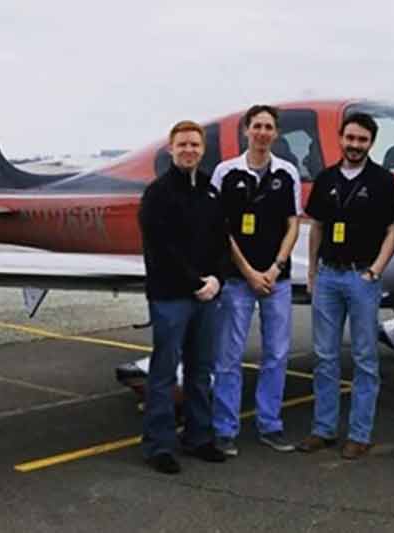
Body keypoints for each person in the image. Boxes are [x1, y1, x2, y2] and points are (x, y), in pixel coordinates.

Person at [297, 112, 394, 460]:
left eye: (363, 140)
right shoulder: (326, 179)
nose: (355, 145)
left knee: (365, 358)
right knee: (324, 357)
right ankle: (322, 429)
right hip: (328, 276)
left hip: (361, 278)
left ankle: (360, 433)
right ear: (341, 138)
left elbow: (393, 230)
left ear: (371, 143)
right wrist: (313, 271)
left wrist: (375, 270)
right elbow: (317, 228)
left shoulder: (384, 181)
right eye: (350, 138)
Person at [210, 105, 301, 455]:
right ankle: (225, 428)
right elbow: (222, 228)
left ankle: (270, 424)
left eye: (269, 127)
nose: (263, 133)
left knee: (276, 354)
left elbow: (293, 223)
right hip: (237, 279)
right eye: (257, 126)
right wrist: (247, 271)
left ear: (276, 134)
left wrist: (276, 268)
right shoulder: (225, 173)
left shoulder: (287, 172)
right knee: (229, 356)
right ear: (247, 130)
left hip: (276, 280)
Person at [139, 120, 228, 474]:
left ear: (203, 150)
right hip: (170, 296)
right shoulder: (157, 194)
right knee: (163, 372)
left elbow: (223, 240)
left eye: (195, 145)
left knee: (201, 369)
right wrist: (196, 282)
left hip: (207, 295)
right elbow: (161, 248)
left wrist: (218, 279)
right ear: (171, 148)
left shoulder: (210, 190)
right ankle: (159, 445)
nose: (189, 150)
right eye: (183, 145)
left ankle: (199, 437)